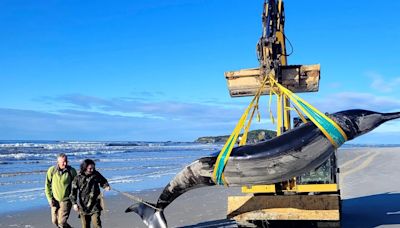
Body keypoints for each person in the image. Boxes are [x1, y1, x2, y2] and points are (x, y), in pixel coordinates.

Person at [70, 159, 111, 228]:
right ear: (85, 167)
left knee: (97, 225)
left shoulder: (96, 174)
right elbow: (73, 192)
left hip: (95, 205)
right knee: (85, 226)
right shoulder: (78, 178)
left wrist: (106, 186)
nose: (92, 170)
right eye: (90, 168)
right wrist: (74, 203)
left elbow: (103, 181)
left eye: (93, 168)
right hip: (83, 206)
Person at [45, 153, 77, 228]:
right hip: (54, 200)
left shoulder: (71, 171)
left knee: (62, 222)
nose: (65, 163)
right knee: (54, 221)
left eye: (66, 161)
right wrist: (49, 199)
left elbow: (76, 186)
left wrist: (75, 202)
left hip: (66, 200)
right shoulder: (52, 170)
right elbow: (47, 186)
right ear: (58, 162)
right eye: (63, 162)